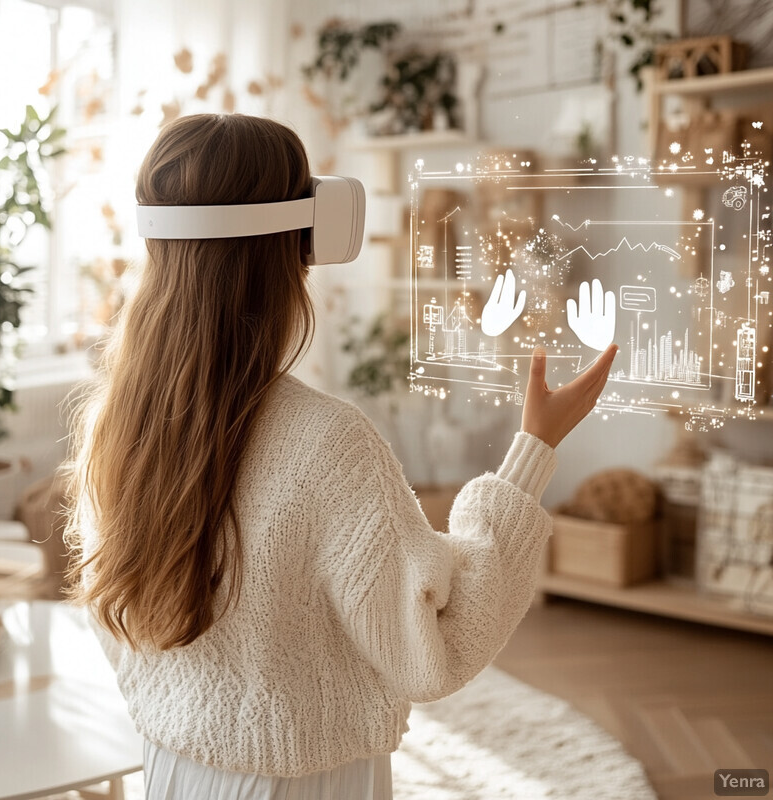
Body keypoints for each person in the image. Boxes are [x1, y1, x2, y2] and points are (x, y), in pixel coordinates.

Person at [65, 113, 618, 800]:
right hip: (310, 783)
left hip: (173, 768)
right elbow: (432, 653)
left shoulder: (114, 426)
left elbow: (119, 617)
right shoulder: (328, 445)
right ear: (298, 251)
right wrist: (533, 450)